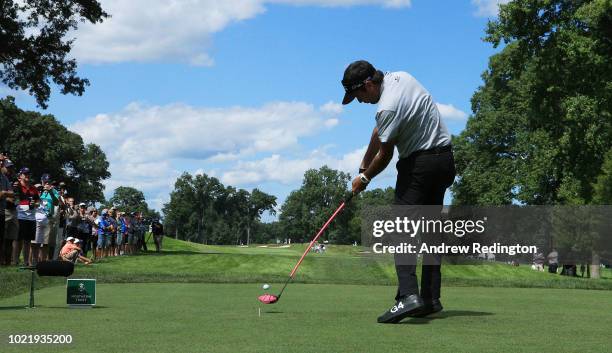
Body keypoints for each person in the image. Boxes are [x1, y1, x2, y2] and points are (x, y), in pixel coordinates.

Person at [342, 60, 455, 323]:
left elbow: (386, 155)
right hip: (445, 161)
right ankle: (429, 299)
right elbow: (379, 131)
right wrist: (362, 165)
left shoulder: (386, 108)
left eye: (357, 95)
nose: (358, 101)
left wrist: (365, 178)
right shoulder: (400, 78)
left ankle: (408, 297)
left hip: (419, 165)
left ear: (368, 85)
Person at [15, 167, 40, 266]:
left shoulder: (33, 188)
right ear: (20, 175)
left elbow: (38, 201)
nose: (27, 175)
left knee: (28, 241)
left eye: (28, 173)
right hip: (20, 216)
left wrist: (35, 203)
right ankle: (15, 260)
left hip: (31, 217)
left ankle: (26, 262)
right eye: (25, 174)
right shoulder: (17, 187)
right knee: (18, 240)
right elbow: (15, 200)